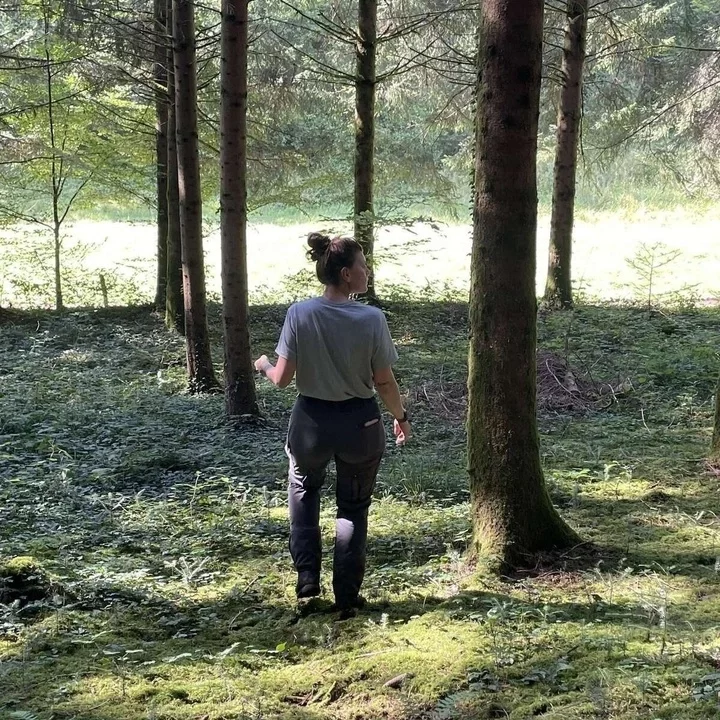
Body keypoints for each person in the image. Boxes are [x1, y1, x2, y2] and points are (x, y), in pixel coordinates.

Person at [254, 232, 411, 616]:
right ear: (346, 274)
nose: (367, 271)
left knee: (303, 491)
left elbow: (282, 379)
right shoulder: (372, 319)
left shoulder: (300, 314)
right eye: (363, 265)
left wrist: (263, 365)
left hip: (311, 422)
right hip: (360, 424)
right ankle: (346, 594)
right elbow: (384, 382)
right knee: (353, 508)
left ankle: (307, 576)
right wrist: (400, 417)